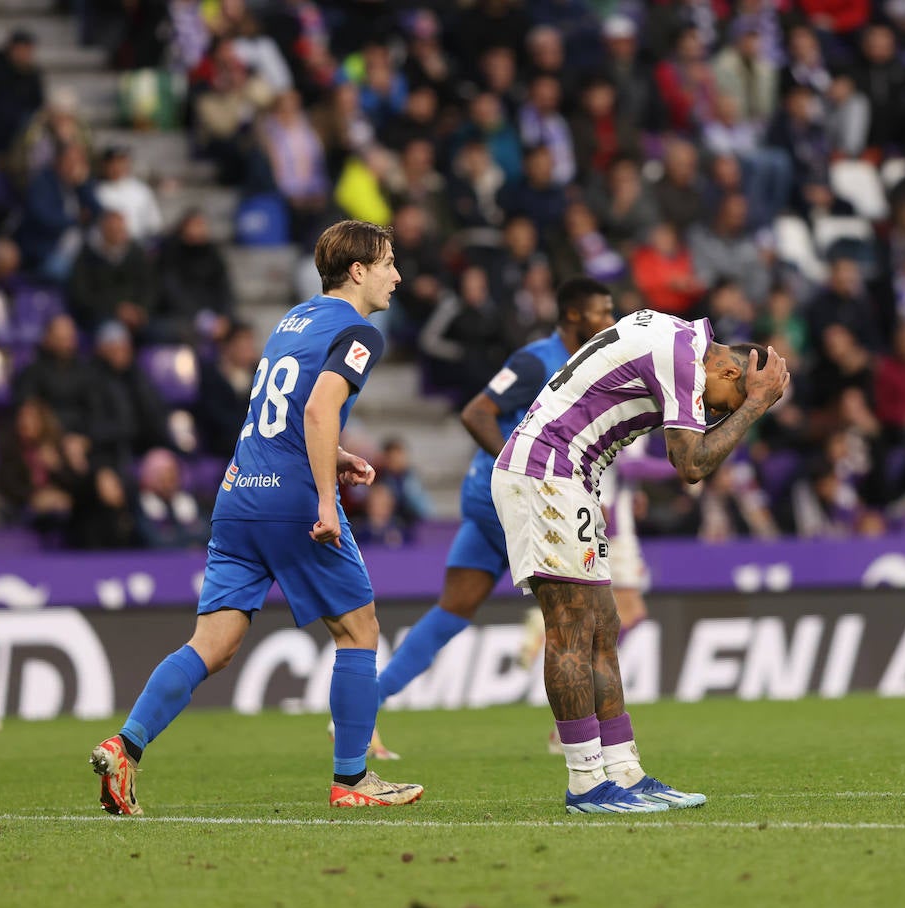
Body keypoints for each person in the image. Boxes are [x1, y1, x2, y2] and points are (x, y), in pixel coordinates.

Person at [90, 219, 421, 813]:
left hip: (240, 493)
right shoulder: (359, 331)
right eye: (389, 262)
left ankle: (126, 745)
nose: (397, 275)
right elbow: (320, 410)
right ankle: (352, 780)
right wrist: (325, 497)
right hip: (292, 501)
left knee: (213, 643)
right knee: (358, 629)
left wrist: (336, 457)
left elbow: (281, 414)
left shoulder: (292, 320)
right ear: (358, 270)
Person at [490, 310, 788, 813]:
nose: (714, 417)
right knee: (570, 628)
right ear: (729, 373)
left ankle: (625, 770)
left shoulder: (674, 337)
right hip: (547, 472)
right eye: (724, 406)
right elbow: (691, 464)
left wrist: (746, 401)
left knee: (603, 626)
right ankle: (585, 782)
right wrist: (754, 408)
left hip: (571, 476)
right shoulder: (684, 358)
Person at [375, 278, 616, 714]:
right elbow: (476, 411)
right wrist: (518, 464)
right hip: (513, 500)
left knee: (452, 610)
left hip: (501, 499)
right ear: (574, 315)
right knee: (580, 611)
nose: (610, 321)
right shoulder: (535, 362)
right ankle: (589, 739)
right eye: (602, 312)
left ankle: (364, 704)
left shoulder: (590, 367)